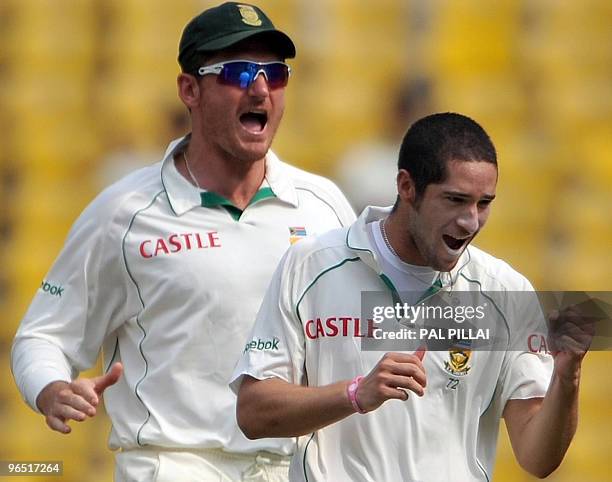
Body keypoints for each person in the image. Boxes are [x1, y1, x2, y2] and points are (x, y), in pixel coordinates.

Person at [11, 3, 355, 481]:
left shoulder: (324, 206)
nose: (260, 88)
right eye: (237, 72)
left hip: (295, 469)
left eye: (275, 74)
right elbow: (43, 335)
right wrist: (51, 387)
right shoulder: (125, 212)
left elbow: (368, 334)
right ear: (189, 90)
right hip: (173, 463)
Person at [232, 113, 592, 481]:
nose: (470, 221)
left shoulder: (504, 292)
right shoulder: (311, 266)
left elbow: (537, 458)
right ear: (407, 186)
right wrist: (355, 393)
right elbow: (254, 413)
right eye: (455, 200)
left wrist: (567, 378)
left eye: (483, 204)